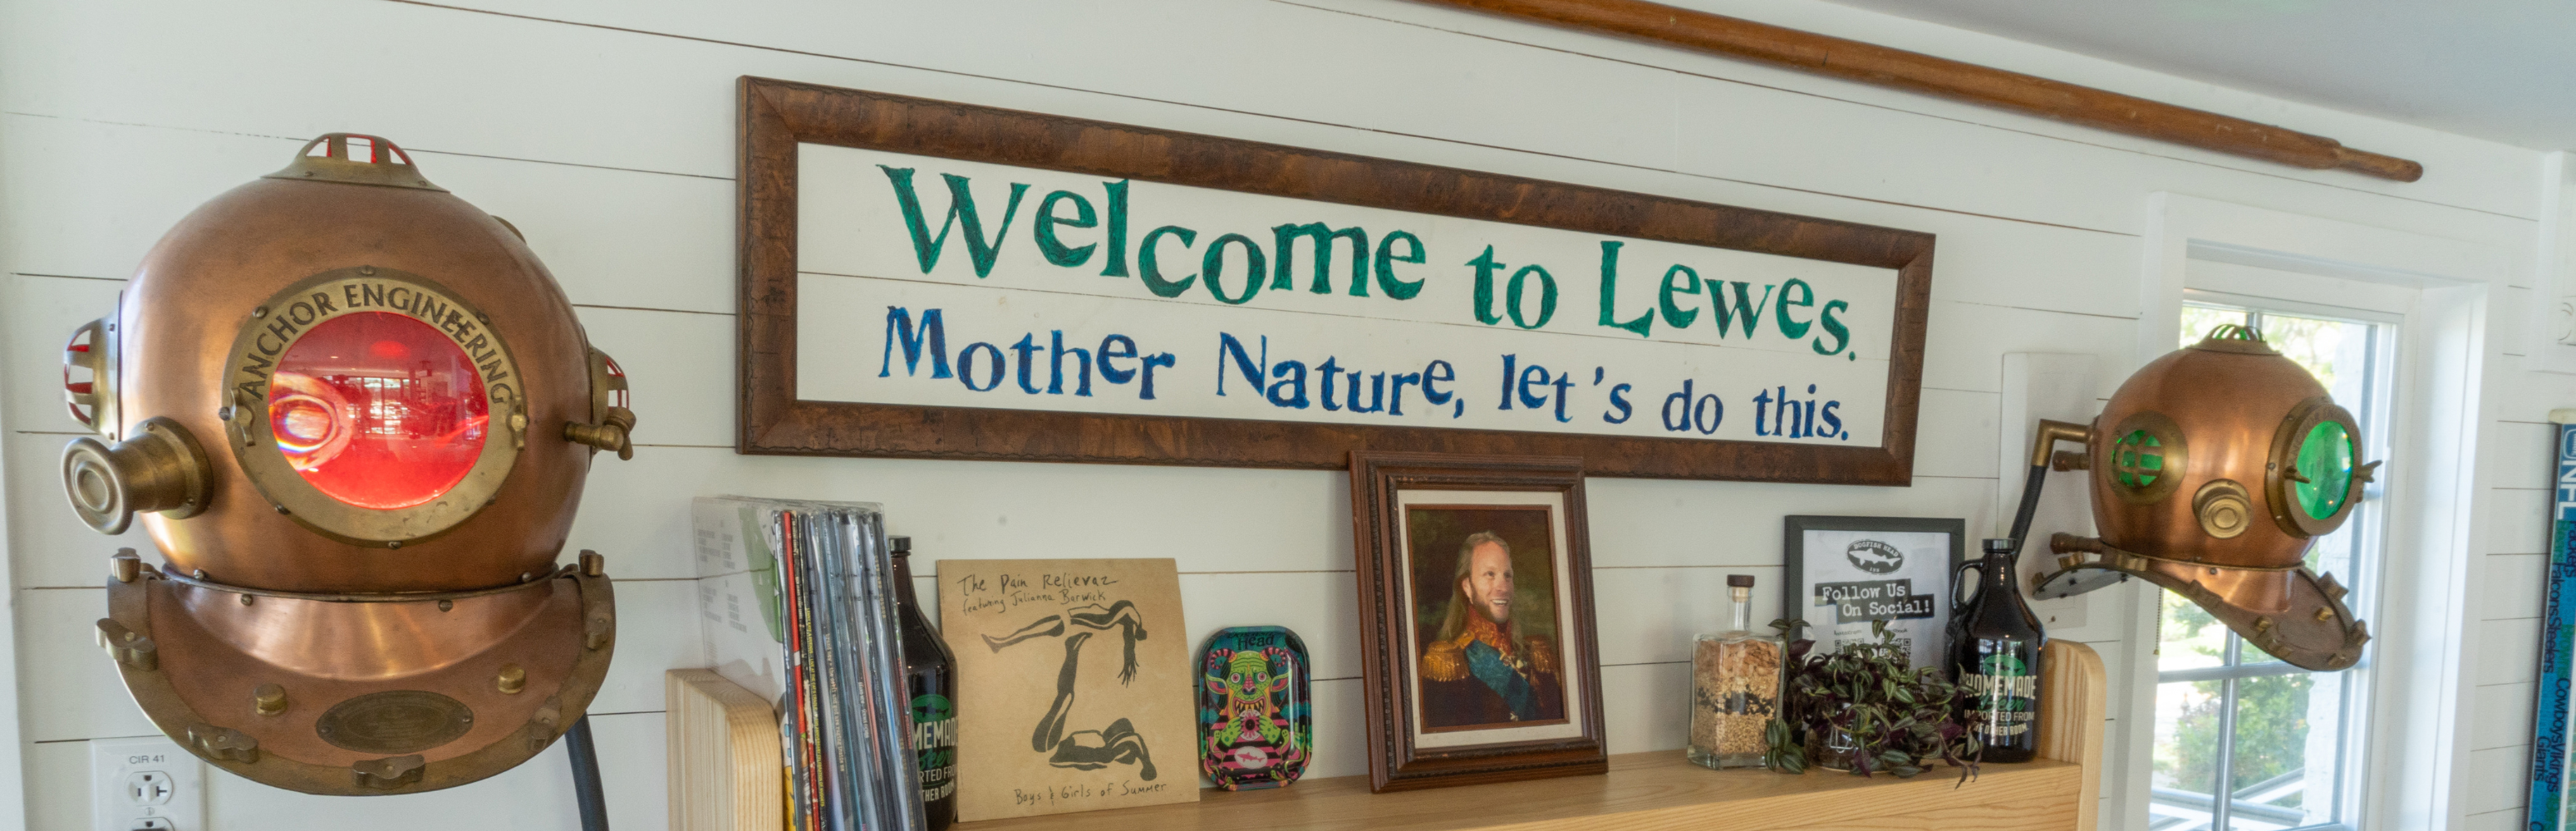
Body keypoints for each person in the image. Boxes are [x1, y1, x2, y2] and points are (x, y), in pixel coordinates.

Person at [1420, 532, 1565, 728]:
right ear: (1467, 587)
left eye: (1507, 576)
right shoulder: (1449, 664)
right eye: (1490, 574)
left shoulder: (1537, 655)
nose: (1502, 587)